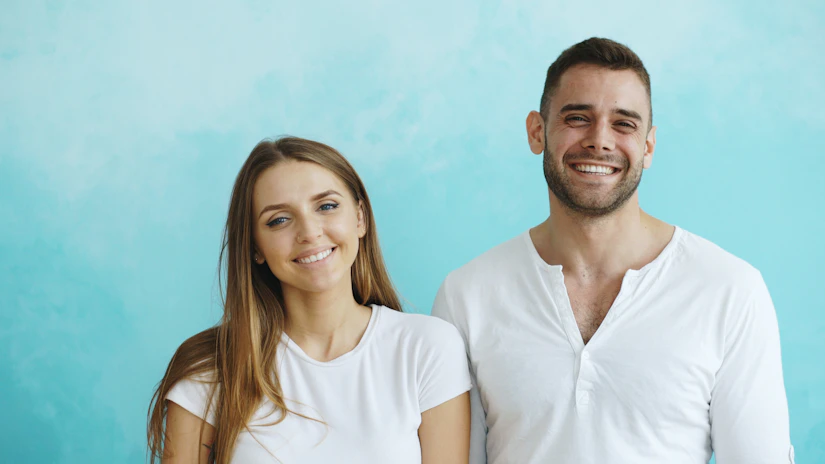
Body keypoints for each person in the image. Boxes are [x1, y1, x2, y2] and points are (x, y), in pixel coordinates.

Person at [432, 37, 793, 464]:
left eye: (624, 124)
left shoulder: (730, 290)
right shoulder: (467, 295)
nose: (600, 140)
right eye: (578, 117)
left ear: (648, 146)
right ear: (536, 131)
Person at [148, 137, 471, 464]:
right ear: (255, 247)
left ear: (360, 218)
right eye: (279, 220)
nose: (309, 232)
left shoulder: (427, 348)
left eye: (327, 206)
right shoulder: (209, 368)